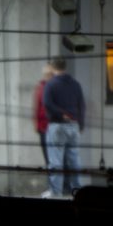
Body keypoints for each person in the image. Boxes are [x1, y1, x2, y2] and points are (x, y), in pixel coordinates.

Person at [40, 56, 85, 197]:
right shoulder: (75, 84)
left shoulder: (51, 84)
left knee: (55, 161)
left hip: (57, 126)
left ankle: (55, 192)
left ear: (53, 68)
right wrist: (80, 123)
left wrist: (60, 114)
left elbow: (46, 103)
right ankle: (77, 190)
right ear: (65, 67)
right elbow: (82, 105)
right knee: (74, 160)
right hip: (74, 125)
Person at [31, 63, 52, 167]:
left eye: (49, 73)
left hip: (53, 128)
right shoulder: (40, 88)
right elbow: (36, 107)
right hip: (43, 128)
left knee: (53, 159)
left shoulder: (54, 87)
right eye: (46, 74)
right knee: (48, 159)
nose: (47, 76)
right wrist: (36, 124)